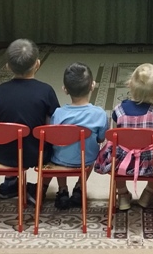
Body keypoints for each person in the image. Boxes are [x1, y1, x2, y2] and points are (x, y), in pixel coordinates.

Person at [0, 39, 59, 203]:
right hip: (39, 155)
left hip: (5, 156)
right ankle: (40, 188)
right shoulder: (46, 91)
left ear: (8, 67)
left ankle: (10, 184)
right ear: (37, 64)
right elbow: (53, 128)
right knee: (57, 146)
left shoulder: (0, 91)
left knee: (11, 136)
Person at [94, 63, 153, 211]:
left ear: (130, 84)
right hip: (149, 162)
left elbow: (114, 136)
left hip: (122, 161)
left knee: (113, 152)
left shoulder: (118, 110)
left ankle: (122, 194)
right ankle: (148, 193)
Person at [48, 62, 108, 209]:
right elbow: (101, 138)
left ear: (65, 89)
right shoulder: (99, 113)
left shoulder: (58, 113)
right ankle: (80, 187)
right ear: (92, 86)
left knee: (57, 152)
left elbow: (52, 137)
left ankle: (62, 190)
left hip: (61, 159)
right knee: (94, 149)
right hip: (86, 159)